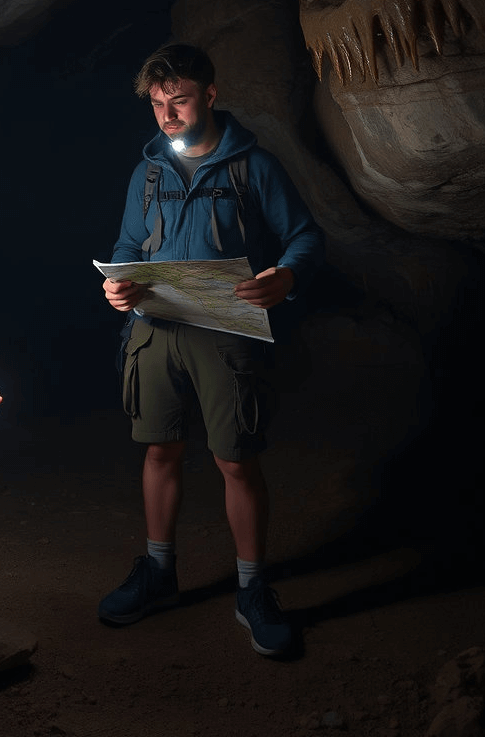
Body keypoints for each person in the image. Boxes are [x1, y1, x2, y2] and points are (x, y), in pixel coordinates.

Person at [98, 44, 323, 656]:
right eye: (157, 104)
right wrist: (117, 288)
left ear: (211, 95)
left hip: (225, 334)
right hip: (156, 330)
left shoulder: (254, 168)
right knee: (159, 452)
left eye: (181, 100)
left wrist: (287, 277)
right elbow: (126, 245)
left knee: (235, 460)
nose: (168, 115)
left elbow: (304, 236)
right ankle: (159, 571)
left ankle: (252, 588)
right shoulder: (146, 174)